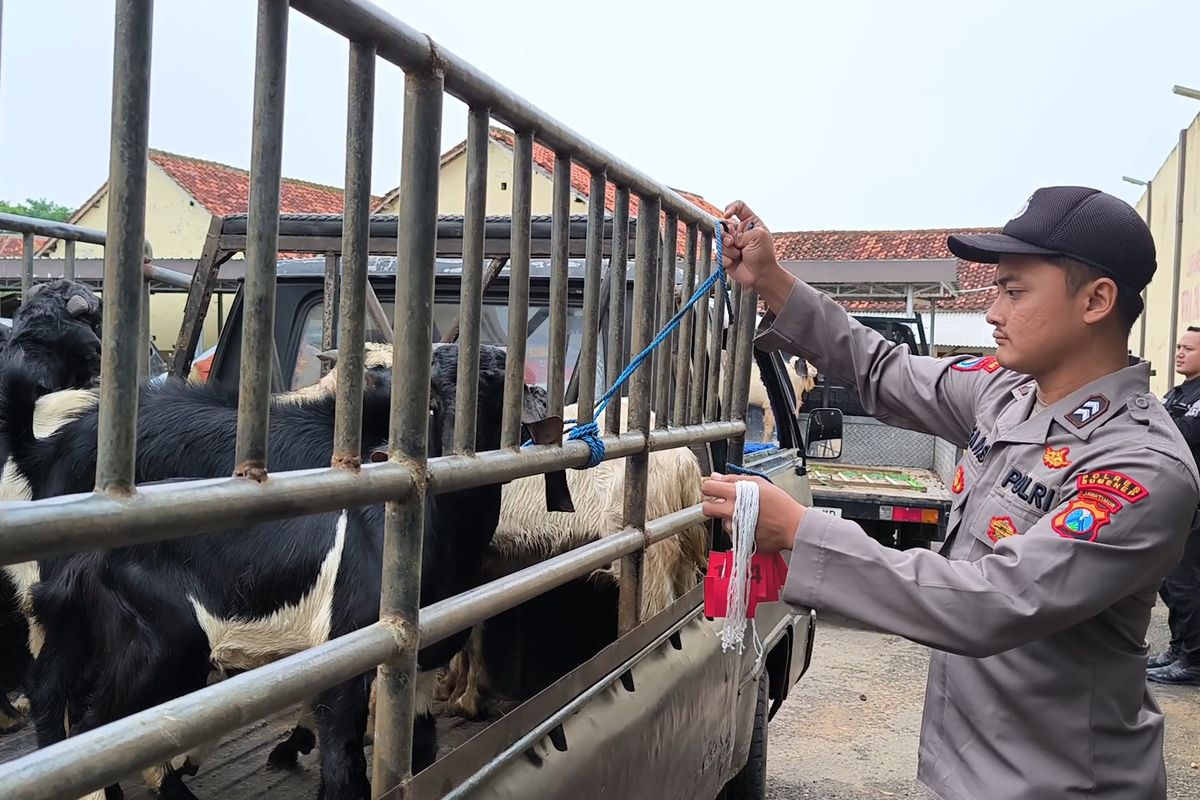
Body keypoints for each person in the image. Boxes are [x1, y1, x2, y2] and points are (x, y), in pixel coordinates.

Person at [702, 186, 1200, 800]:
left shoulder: (1140, 465)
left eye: (1014, 291)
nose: (992, 312)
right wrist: (772, 279)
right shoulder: (1008, 394)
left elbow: (993, 602)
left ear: (1096, 301)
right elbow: (882, 368)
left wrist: (803, 532)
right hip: (964, 767)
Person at [1147, 325, 1200, 684]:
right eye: (1179, 346)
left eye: (1188, 348)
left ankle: (1193, 661)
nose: (1179, 352)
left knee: (1185, 581)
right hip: (1174, 501)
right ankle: (1179, 649)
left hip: (1194, 503)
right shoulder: (1179, 392)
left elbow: (1180, 435)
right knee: (1170, 580)